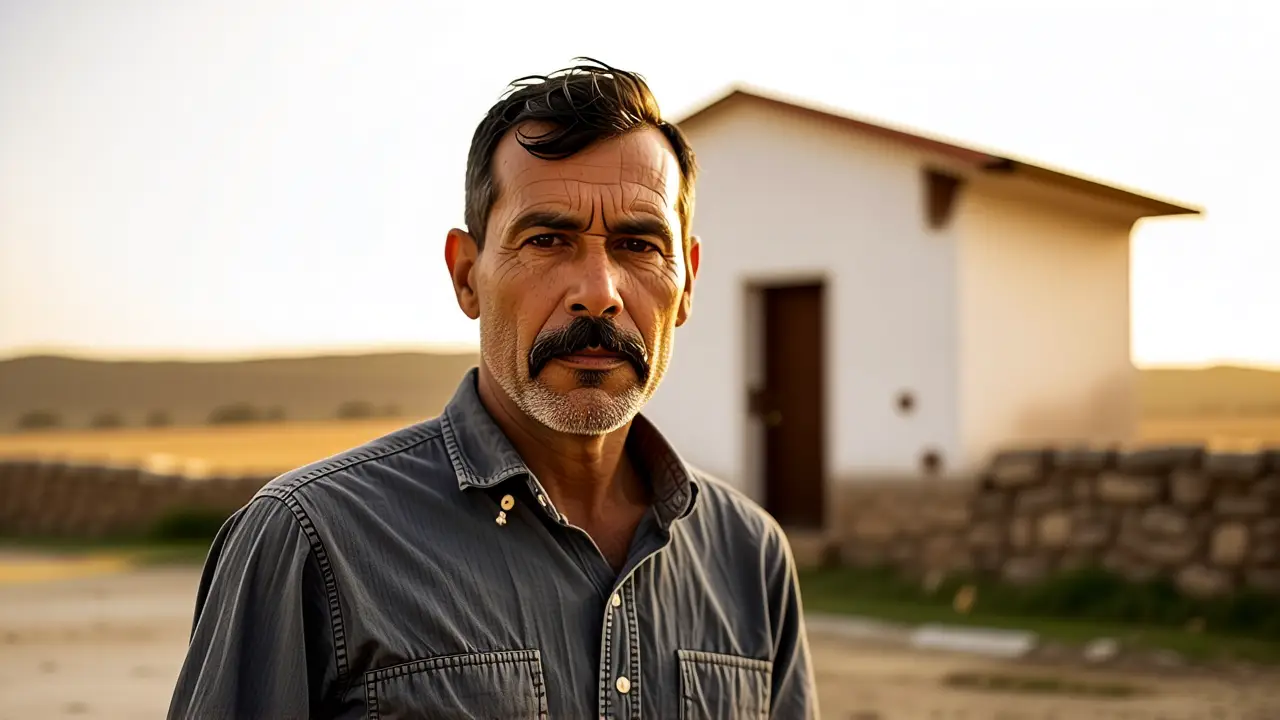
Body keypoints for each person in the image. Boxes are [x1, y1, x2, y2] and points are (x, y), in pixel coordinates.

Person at [168, 58, 817, 719]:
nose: (598, 294)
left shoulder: (749, 555)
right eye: (547, 239)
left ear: (688, 283)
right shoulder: (311, 540)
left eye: (637, 245)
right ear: (466, 275)